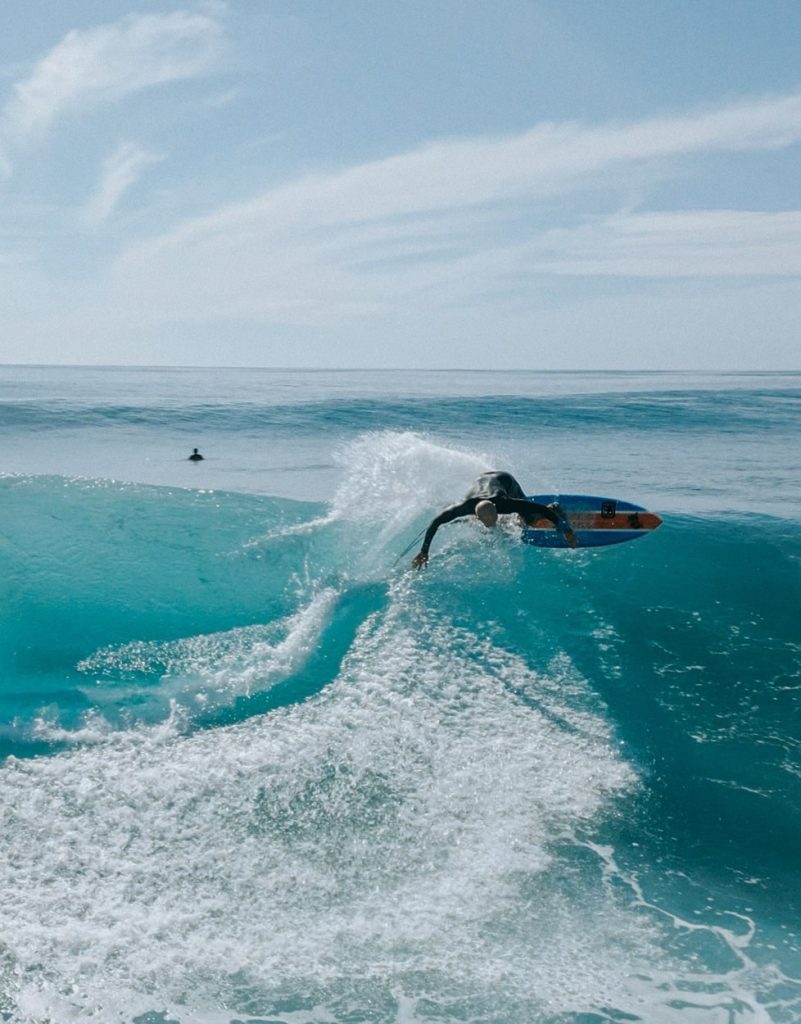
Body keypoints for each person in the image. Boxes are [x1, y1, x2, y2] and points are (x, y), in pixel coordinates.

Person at [412, 470, 577, 568]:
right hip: (481, 480)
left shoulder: (505, 503)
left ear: (498, 511)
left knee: (530, 519)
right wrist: (424, 551)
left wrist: (566, 529)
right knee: (476, 525)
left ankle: (554, 507)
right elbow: (435, 522)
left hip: (505, 481)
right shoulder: (464, 507)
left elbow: (540, 509)